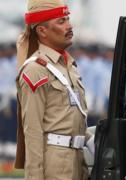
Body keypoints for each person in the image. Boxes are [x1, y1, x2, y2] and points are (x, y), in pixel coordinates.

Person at [14, 0, 94, 179]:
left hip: (78, 162)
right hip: (56, 166)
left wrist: (92, 140)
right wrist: (34, 177)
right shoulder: (36, 69)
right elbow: (32, 131)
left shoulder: (69, 65)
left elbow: (66, 117)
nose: (69, 26)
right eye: (61, 21)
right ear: (42, 31)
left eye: (68, 19)